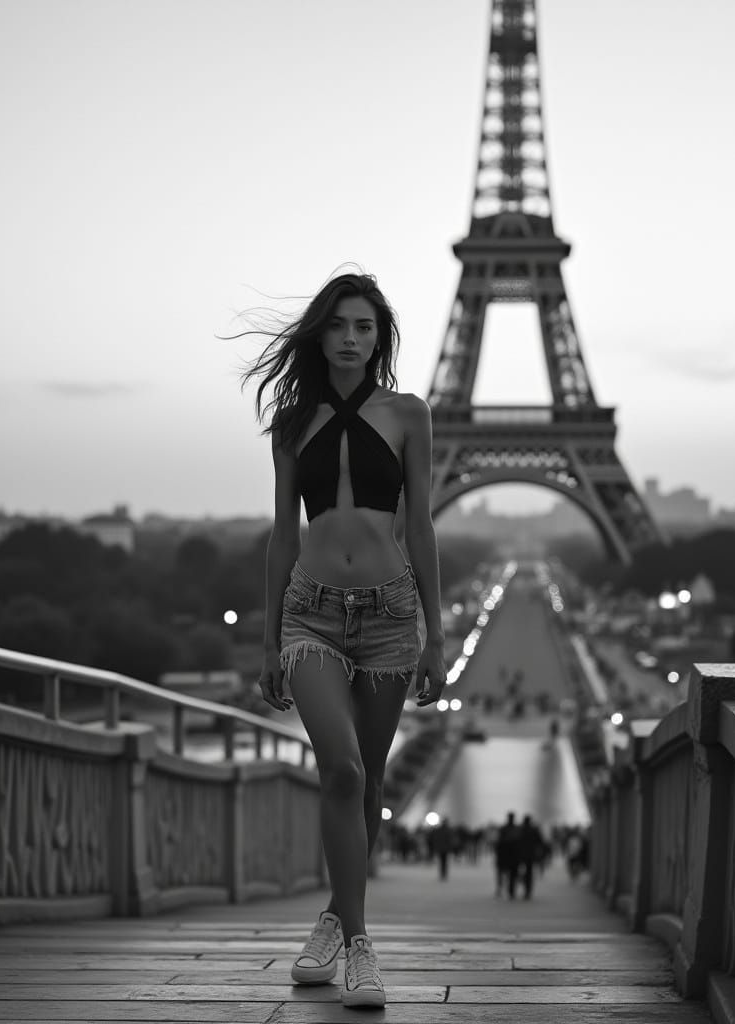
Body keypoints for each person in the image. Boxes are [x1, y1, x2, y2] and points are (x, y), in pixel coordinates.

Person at [243, 270, 447, 1009]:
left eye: (364, 326)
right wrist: (269, 639)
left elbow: (419, 525)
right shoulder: (291, 423)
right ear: (319, 334)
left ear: (379, 336)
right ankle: (361, 946)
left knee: (370, 779)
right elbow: (282, 535)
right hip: (312, 614)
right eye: (338, 325)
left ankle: (334, 918)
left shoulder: (409, 413)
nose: (351, 339)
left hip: (390, 616)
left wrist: (436, 631)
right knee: (343, 770)